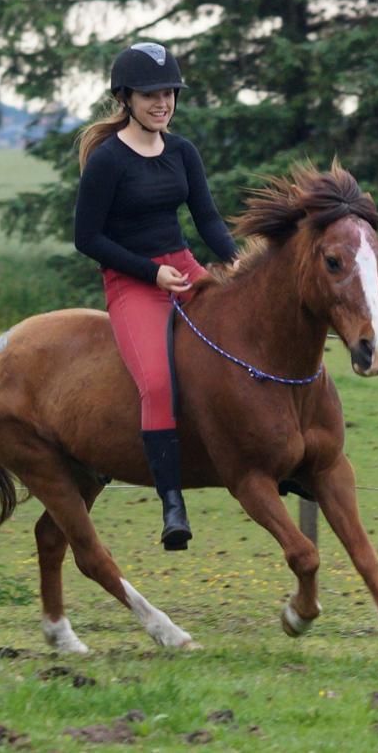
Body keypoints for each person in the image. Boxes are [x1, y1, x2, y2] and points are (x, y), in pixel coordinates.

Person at [74, 42, 238, 551]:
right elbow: (88, 239)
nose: (162, 102)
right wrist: (150, 272)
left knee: (240, 346)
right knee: (158, 384)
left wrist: (234, 260)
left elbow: (206, 217)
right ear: (126, 98)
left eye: (168, 93)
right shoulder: (107, 161)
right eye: (150, 95)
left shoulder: (182, 151)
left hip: (185, 270)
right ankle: (172, 503)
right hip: (133, 283)